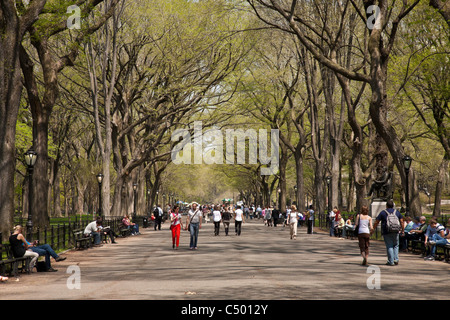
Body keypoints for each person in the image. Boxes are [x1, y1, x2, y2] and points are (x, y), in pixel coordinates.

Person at [372, 200, 404, 266]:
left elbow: (377, 221)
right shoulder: (397, 212)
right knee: (396, 245)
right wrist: (402, 230)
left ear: (386, 206)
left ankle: (391, 261)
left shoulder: (383, 212)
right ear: (393, 206)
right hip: (396, 231)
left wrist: (373, 228)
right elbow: (401, 221)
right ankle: (396, 259)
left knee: (389, 246)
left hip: (387, 231)